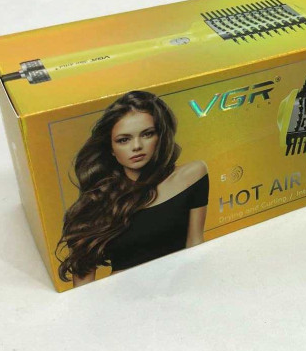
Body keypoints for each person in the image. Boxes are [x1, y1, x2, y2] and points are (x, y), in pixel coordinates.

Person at [57, 90, 208, 287]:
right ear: (111, 149)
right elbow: (83, 288)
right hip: (122, 297)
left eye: (147, 134)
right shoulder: (96, 205)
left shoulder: (192, 176)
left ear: (160, 136)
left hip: (180, 287)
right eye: (124, 140)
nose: (136, 146)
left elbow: (195, 243)